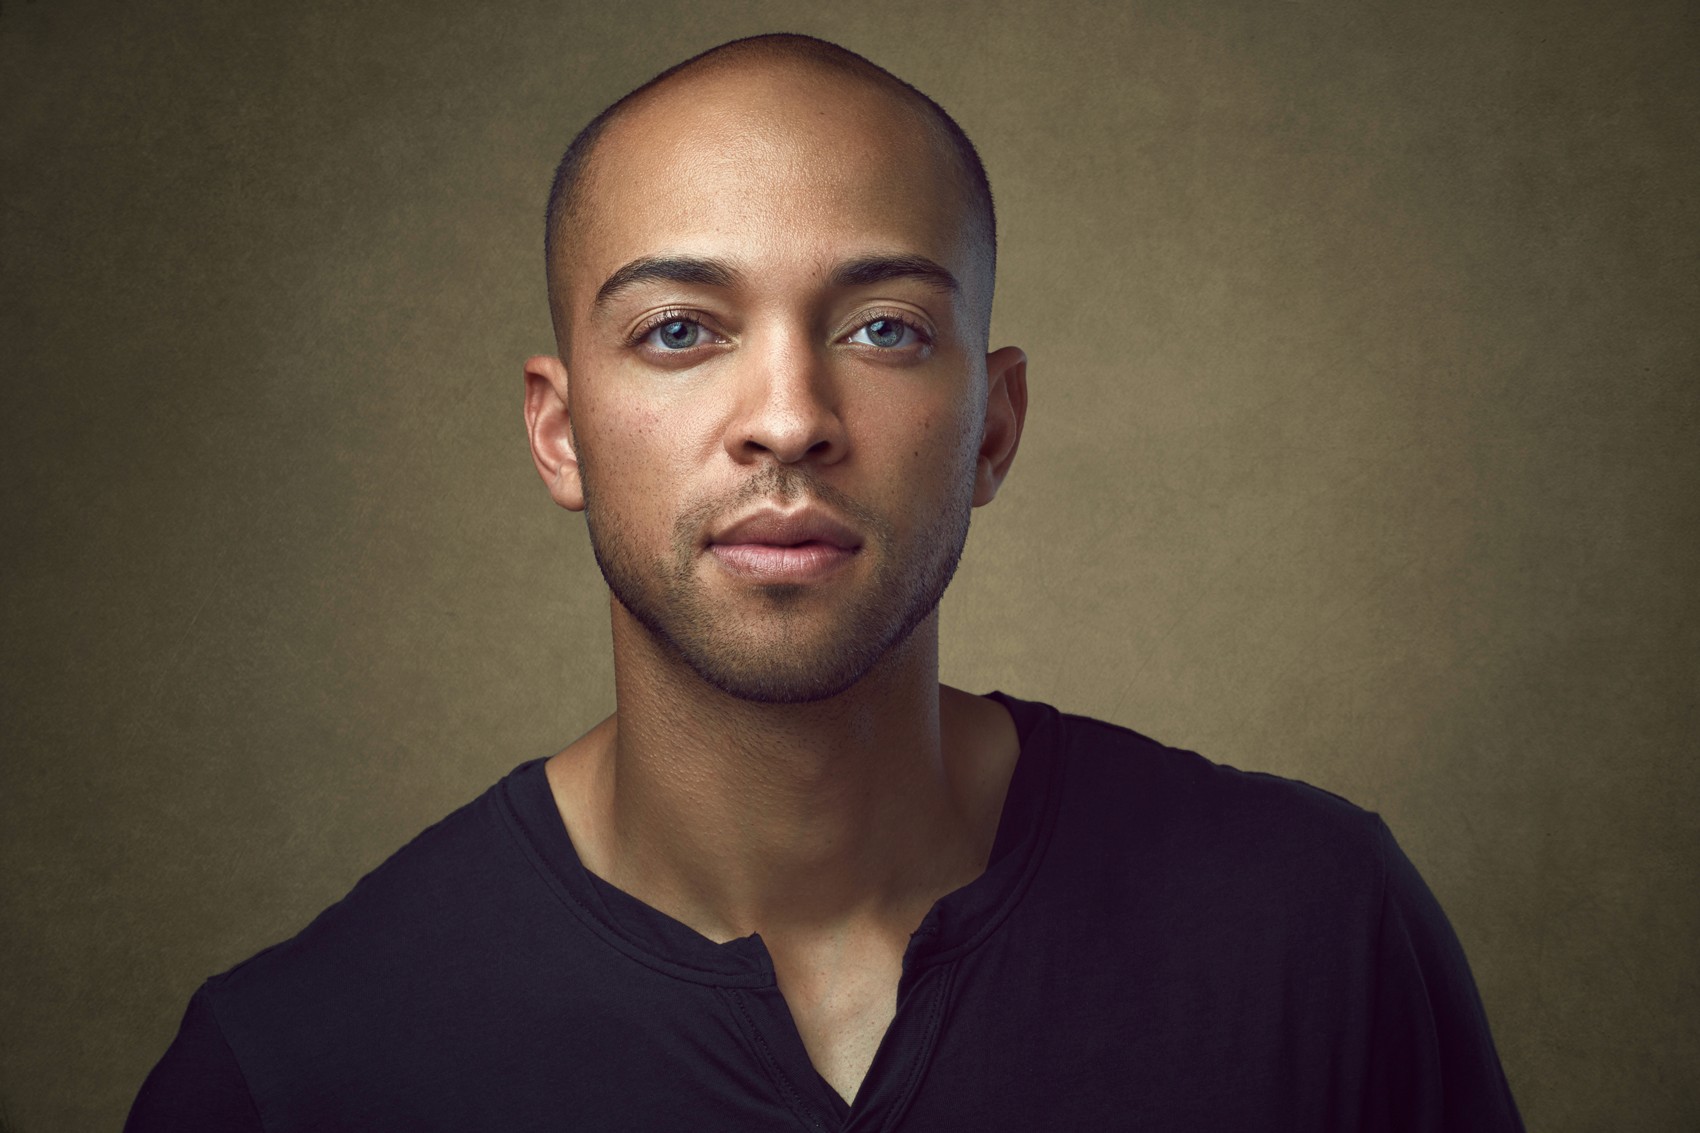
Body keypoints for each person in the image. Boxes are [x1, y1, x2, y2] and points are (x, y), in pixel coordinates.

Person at [126, 33, 1525, 1131]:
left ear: (994, 426)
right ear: (560, 434)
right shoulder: (295, 1071)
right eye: (681, 331)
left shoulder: (1318, 934)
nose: (789, 419)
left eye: (884, 328)